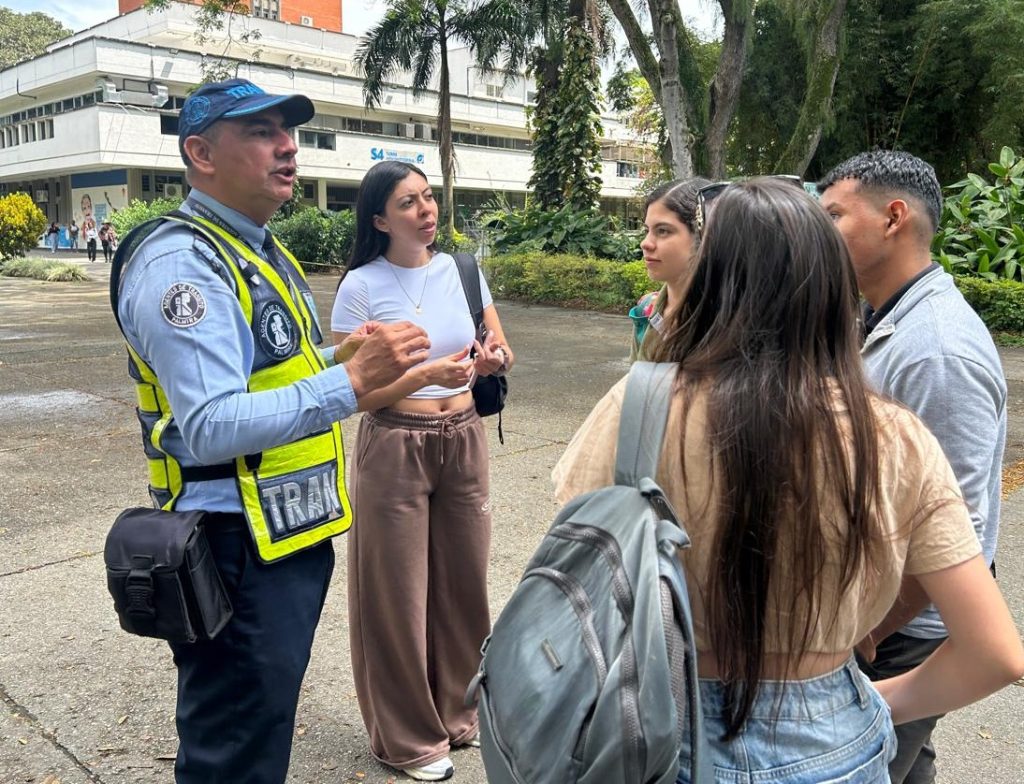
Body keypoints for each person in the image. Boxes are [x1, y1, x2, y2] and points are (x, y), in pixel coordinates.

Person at [552, 178, 1024, 783]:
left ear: (709, 278)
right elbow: (996, 654)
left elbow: (573, 574)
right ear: (828, 285)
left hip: (656, 726)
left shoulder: (637, 405)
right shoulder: (892, 436)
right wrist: (874, 708)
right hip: (831, 738)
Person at [113, 78, 432, 784]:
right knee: (233, 752)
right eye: (260, 132)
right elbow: (209, 424)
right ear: (200, 152)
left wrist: (336, 359)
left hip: (282, 537)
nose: (287, 146)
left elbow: (267, 371)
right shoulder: (183, 265)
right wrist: (347, 383)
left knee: (258, 731)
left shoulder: (255, 249)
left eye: (288, 131)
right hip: (233, 548)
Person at [818, 150, 1010, 784]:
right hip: (876, 608)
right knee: (903, 762)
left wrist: (867, 626)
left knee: (864, 761)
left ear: (893, 217)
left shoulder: (937, 352)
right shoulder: (882, 318)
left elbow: (959, 525)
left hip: (898, 625)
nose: (821, 233)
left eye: (836, 215)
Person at [331, 160, 513, 782]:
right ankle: (407, 737)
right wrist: (422, 375)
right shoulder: (360, 285)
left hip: (463, 437)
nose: (426, 210)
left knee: (465, 583)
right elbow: (352, 389)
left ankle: (460, 715)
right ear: (380, 219)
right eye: (408, 203)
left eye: (428, 197)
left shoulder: (462, 270)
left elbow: (496, 345)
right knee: (397, 594)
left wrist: (490, 360)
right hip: (396, 442)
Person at [628, 177, 709, 362]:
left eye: (663, 231)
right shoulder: (646, 309)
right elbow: (635, 384)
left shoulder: (733, 321)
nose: (645, 243)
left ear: (704, 235)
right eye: (646, 230)